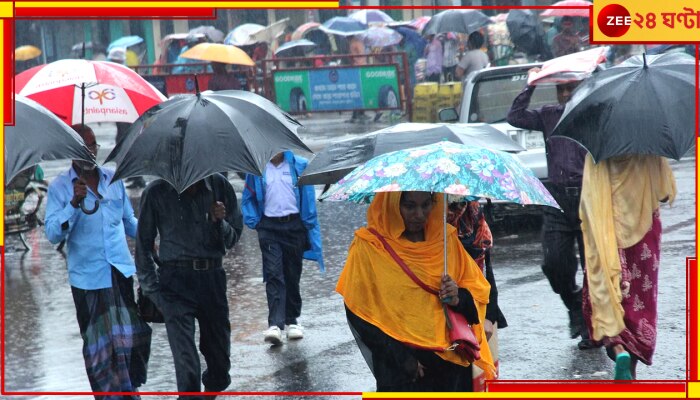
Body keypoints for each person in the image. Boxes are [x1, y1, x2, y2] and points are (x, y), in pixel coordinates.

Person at [336, 191, 495, 391]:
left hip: (450, 365)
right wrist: (403, 360)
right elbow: (359, 313)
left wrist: (457, 297)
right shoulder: (369, 248)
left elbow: (476, 296)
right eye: (410, 206)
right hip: (402, 372)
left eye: (426, 205)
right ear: (392, 206)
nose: (419, 214)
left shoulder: (446, 242)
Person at [44, 124, 151, 398]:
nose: (90, 152)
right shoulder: (59, 188)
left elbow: (129, 222)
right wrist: (74, 203)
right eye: (83, 147)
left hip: (120, 273)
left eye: (93, 146)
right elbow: (54, 233)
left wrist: (155, 236)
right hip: (88, 281)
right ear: (72, 151)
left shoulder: (113, 180)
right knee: (99, 348)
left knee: (130, 340)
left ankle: (130, 392)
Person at [506, 69, 596, 350]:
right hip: (556, 199)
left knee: (594, 268)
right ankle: (573, 303)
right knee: (554, 264)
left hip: (590, 198)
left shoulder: (593, 113)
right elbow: (515, 116)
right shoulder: (548, 114)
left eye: (571, 88)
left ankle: (592, 328)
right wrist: (531, 84)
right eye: (561, 89)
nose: (566, 94)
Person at [135, 173, 243, 398]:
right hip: (174, 282)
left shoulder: (218, 186)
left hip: (212, 278)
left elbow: (233, 239)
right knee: (186, 364)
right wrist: (151, 290)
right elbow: (143, 244)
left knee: (220, 362)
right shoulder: (156, 192)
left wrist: (219, 221)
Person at [579, 155, 676, 380]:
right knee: (639, 303)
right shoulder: (650, 146)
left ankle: (618, 349)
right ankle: (630, 372)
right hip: (644, 235)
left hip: (607, 235)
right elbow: (664, 193)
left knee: (606, 297)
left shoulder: (598, 151)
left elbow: (588, 202)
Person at [241, 151, 324, 346]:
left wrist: (308, 224)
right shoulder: (256, 169)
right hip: (269, 228)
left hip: (294, 226)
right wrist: (255, 222)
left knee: (292, 274)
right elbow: (248, 197)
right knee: (273, 273)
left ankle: (292, 320)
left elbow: (308, 196)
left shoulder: (299, 165)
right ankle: (275, 324)